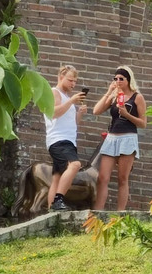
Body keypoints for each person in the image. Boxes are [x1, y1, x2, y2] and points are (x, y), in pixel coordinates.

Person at [92, 65, 147, 210]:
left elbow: (143, 123)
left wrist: (127, 115)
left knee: (122, 178)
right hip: (112, 138)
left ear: (128, 80)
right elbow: (96, 111)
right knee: (102, 177)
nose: (118, 81)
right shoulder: (114, 96)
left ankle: (119, 213)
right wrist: (109, 92)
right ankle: (97, 211)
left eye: (121, 79)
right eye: (115, 78)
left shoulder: (137, 97)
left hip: (127, 138)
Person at [43, 65, 88, 211]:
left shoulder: (67, 97)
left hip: (68, 139)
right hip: (59, 140)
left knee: (57, 177)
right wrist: (71, 102)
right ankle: (58, 200)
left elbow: (71, 122)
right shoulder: (54, 92)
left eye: (75, 81)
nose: (73, 84)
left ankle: (51, 209)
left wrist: (79, 113)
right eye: (70, 80)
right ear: (61, 77)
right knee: (75, 165)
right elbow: (53, 113)